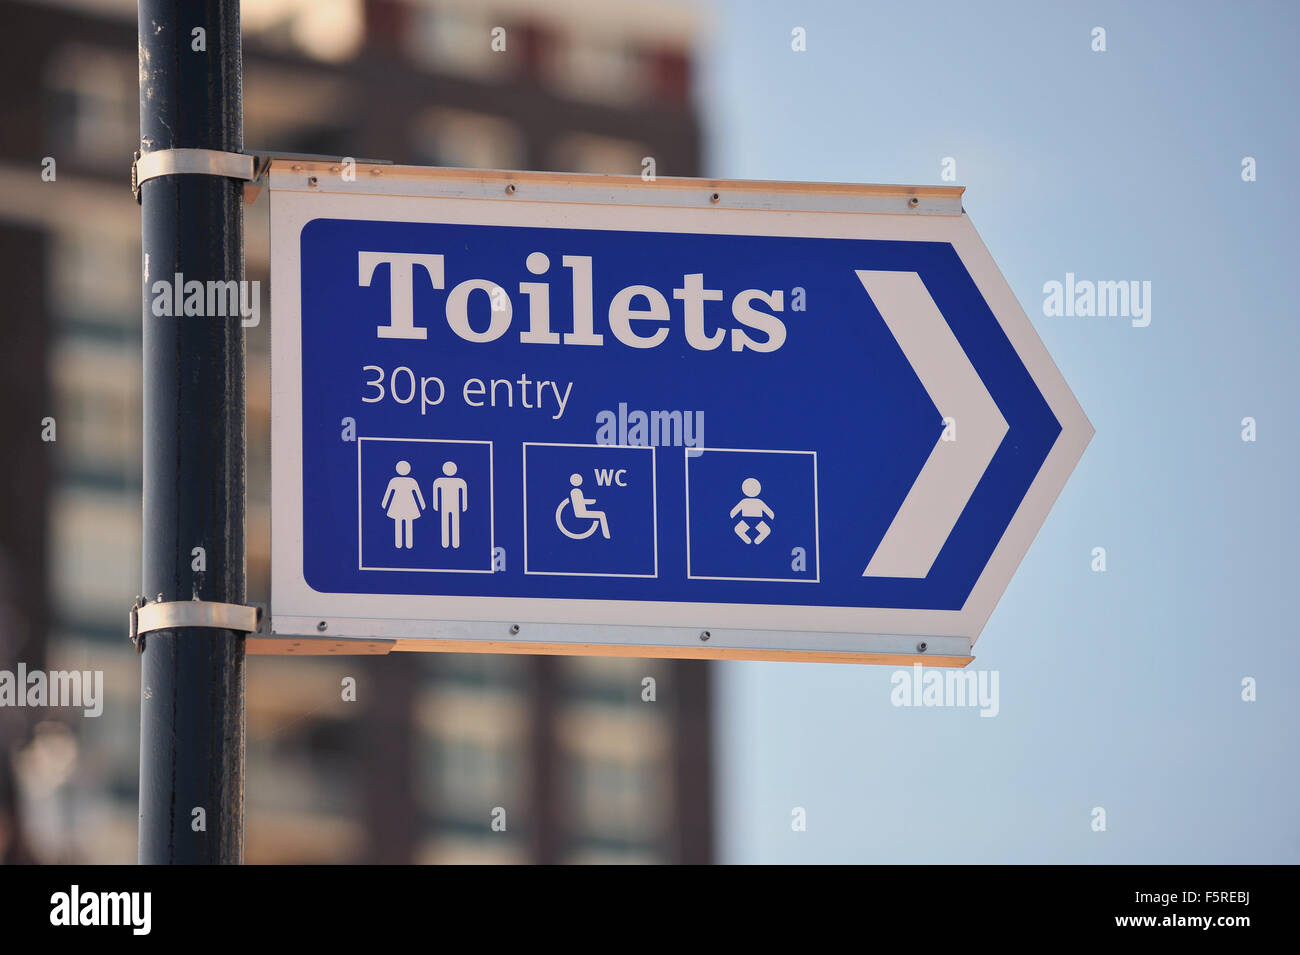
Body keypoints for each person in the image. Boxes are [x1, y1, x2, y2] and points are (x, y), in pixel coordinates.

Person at [382, 460, 425, 549]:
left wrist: (385, 504)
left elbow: (417, 493)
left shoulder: (409, 481)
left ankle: (406, 544)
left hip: (406, 505)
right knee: (402, 522)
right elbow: (389, 493)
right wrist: (422, 505)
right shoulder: (396, 481)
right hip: (400, 505)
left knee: (404, 522)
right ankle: (402, 544)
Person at [431, 461, 469, 549]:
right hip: (444, 506)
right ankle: (445, 542)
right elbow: (436, 493)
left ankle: (455, 542)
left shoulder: (460, 482)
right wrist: (435, 505)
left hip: (455, 506)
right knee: (445, 522)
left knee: (455, 522)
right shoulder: (439, 481)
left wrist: (464, 505)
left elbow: (463, 494)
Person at [730, 477, 773, 544]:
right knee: (766, 531)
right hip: (758, 521)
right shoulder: (759, 502)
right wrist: (771, 516)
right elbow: (768, 511)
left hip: (746, 520)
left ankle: (749, 540)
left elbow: (734, 511)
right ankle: (756, 541)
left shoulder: (744, 501)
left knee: (738, 530)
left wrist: (732, 515)